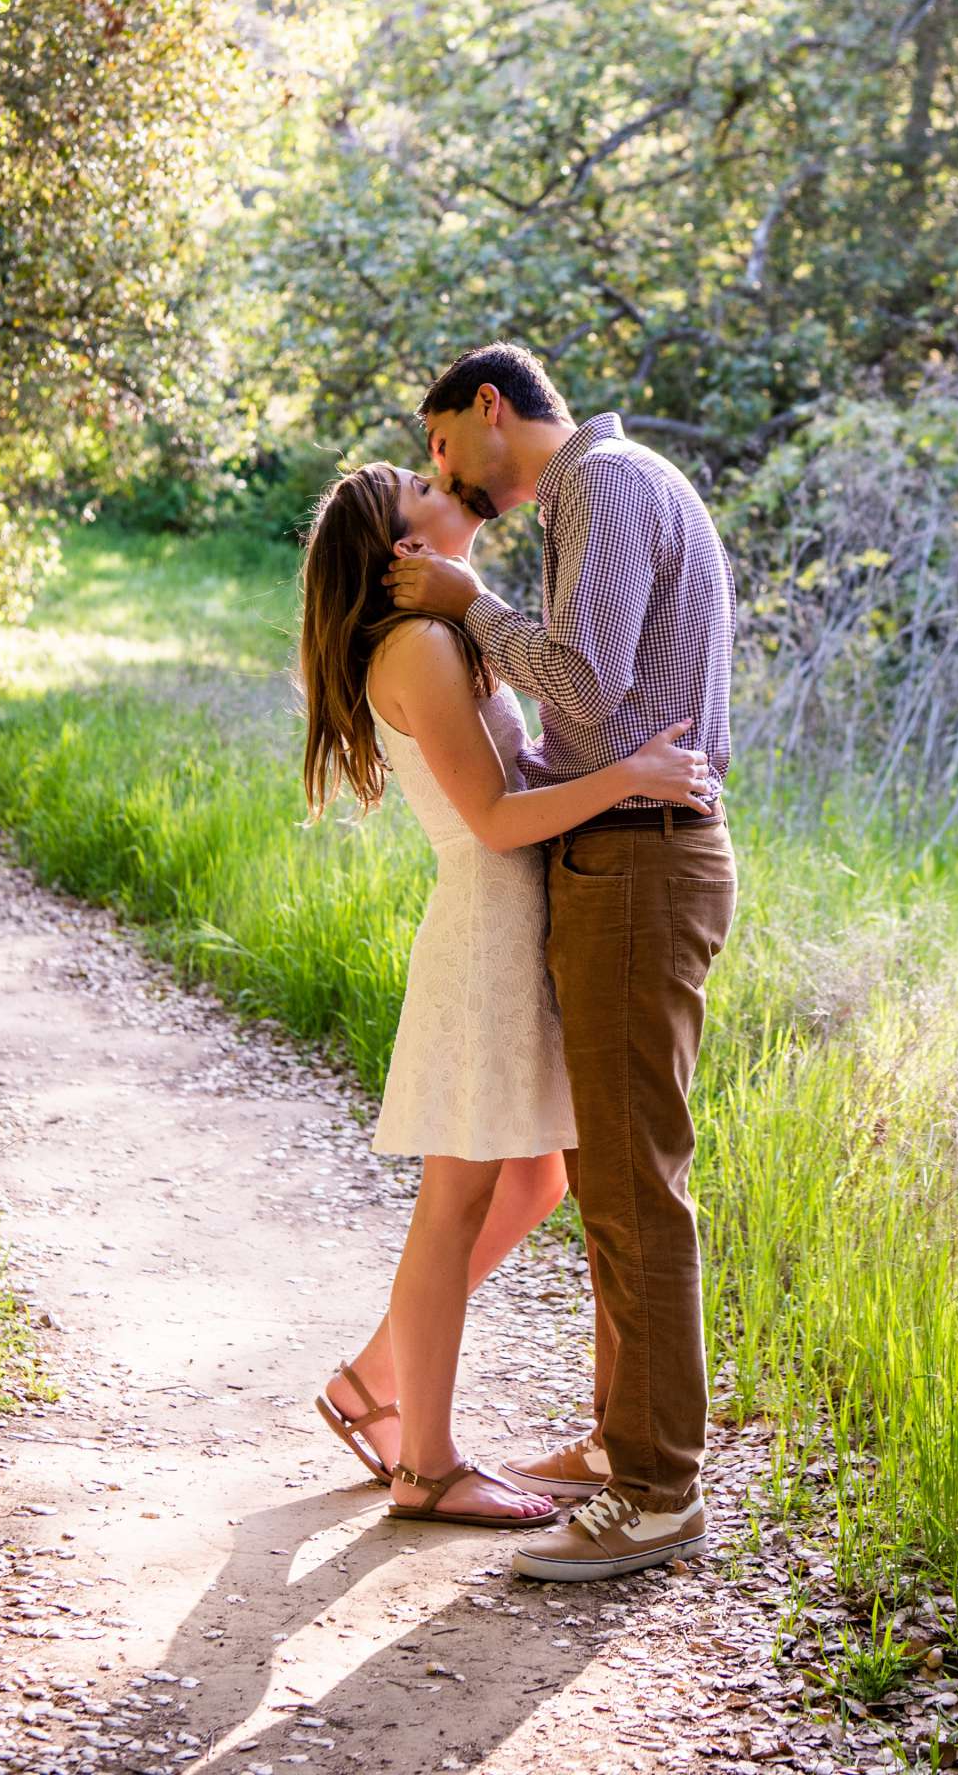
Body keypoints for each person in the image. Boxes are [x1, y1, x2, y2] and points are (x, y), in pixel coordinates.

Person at [299, 458, 714, 1531]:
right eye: (421, 483)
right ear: (405, 547)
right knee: (458, 1201)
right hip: (487, 929)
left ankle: (371, 1380)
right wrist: (630, 779)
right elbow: (494, 819)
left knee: (532, 1185)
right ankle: (425, 1465)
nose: (446, 479)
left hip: (514, 923)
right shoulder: (425, 646)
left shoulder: (451, 636)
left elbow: (521, 776)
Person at [385, 342, 739, 1581]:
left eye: (437, 444)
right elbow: (600, 709)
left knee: (636, 1183)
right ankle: (619, 1441)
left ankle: (656, 1493)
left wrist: (465, 608)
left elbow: (586, 691)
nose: (441, 473)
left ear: (490, 410)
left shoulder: (600, 483)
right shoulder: (615, 485)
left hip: (644, 861)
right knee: (610, 1174)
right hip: (629, 851)